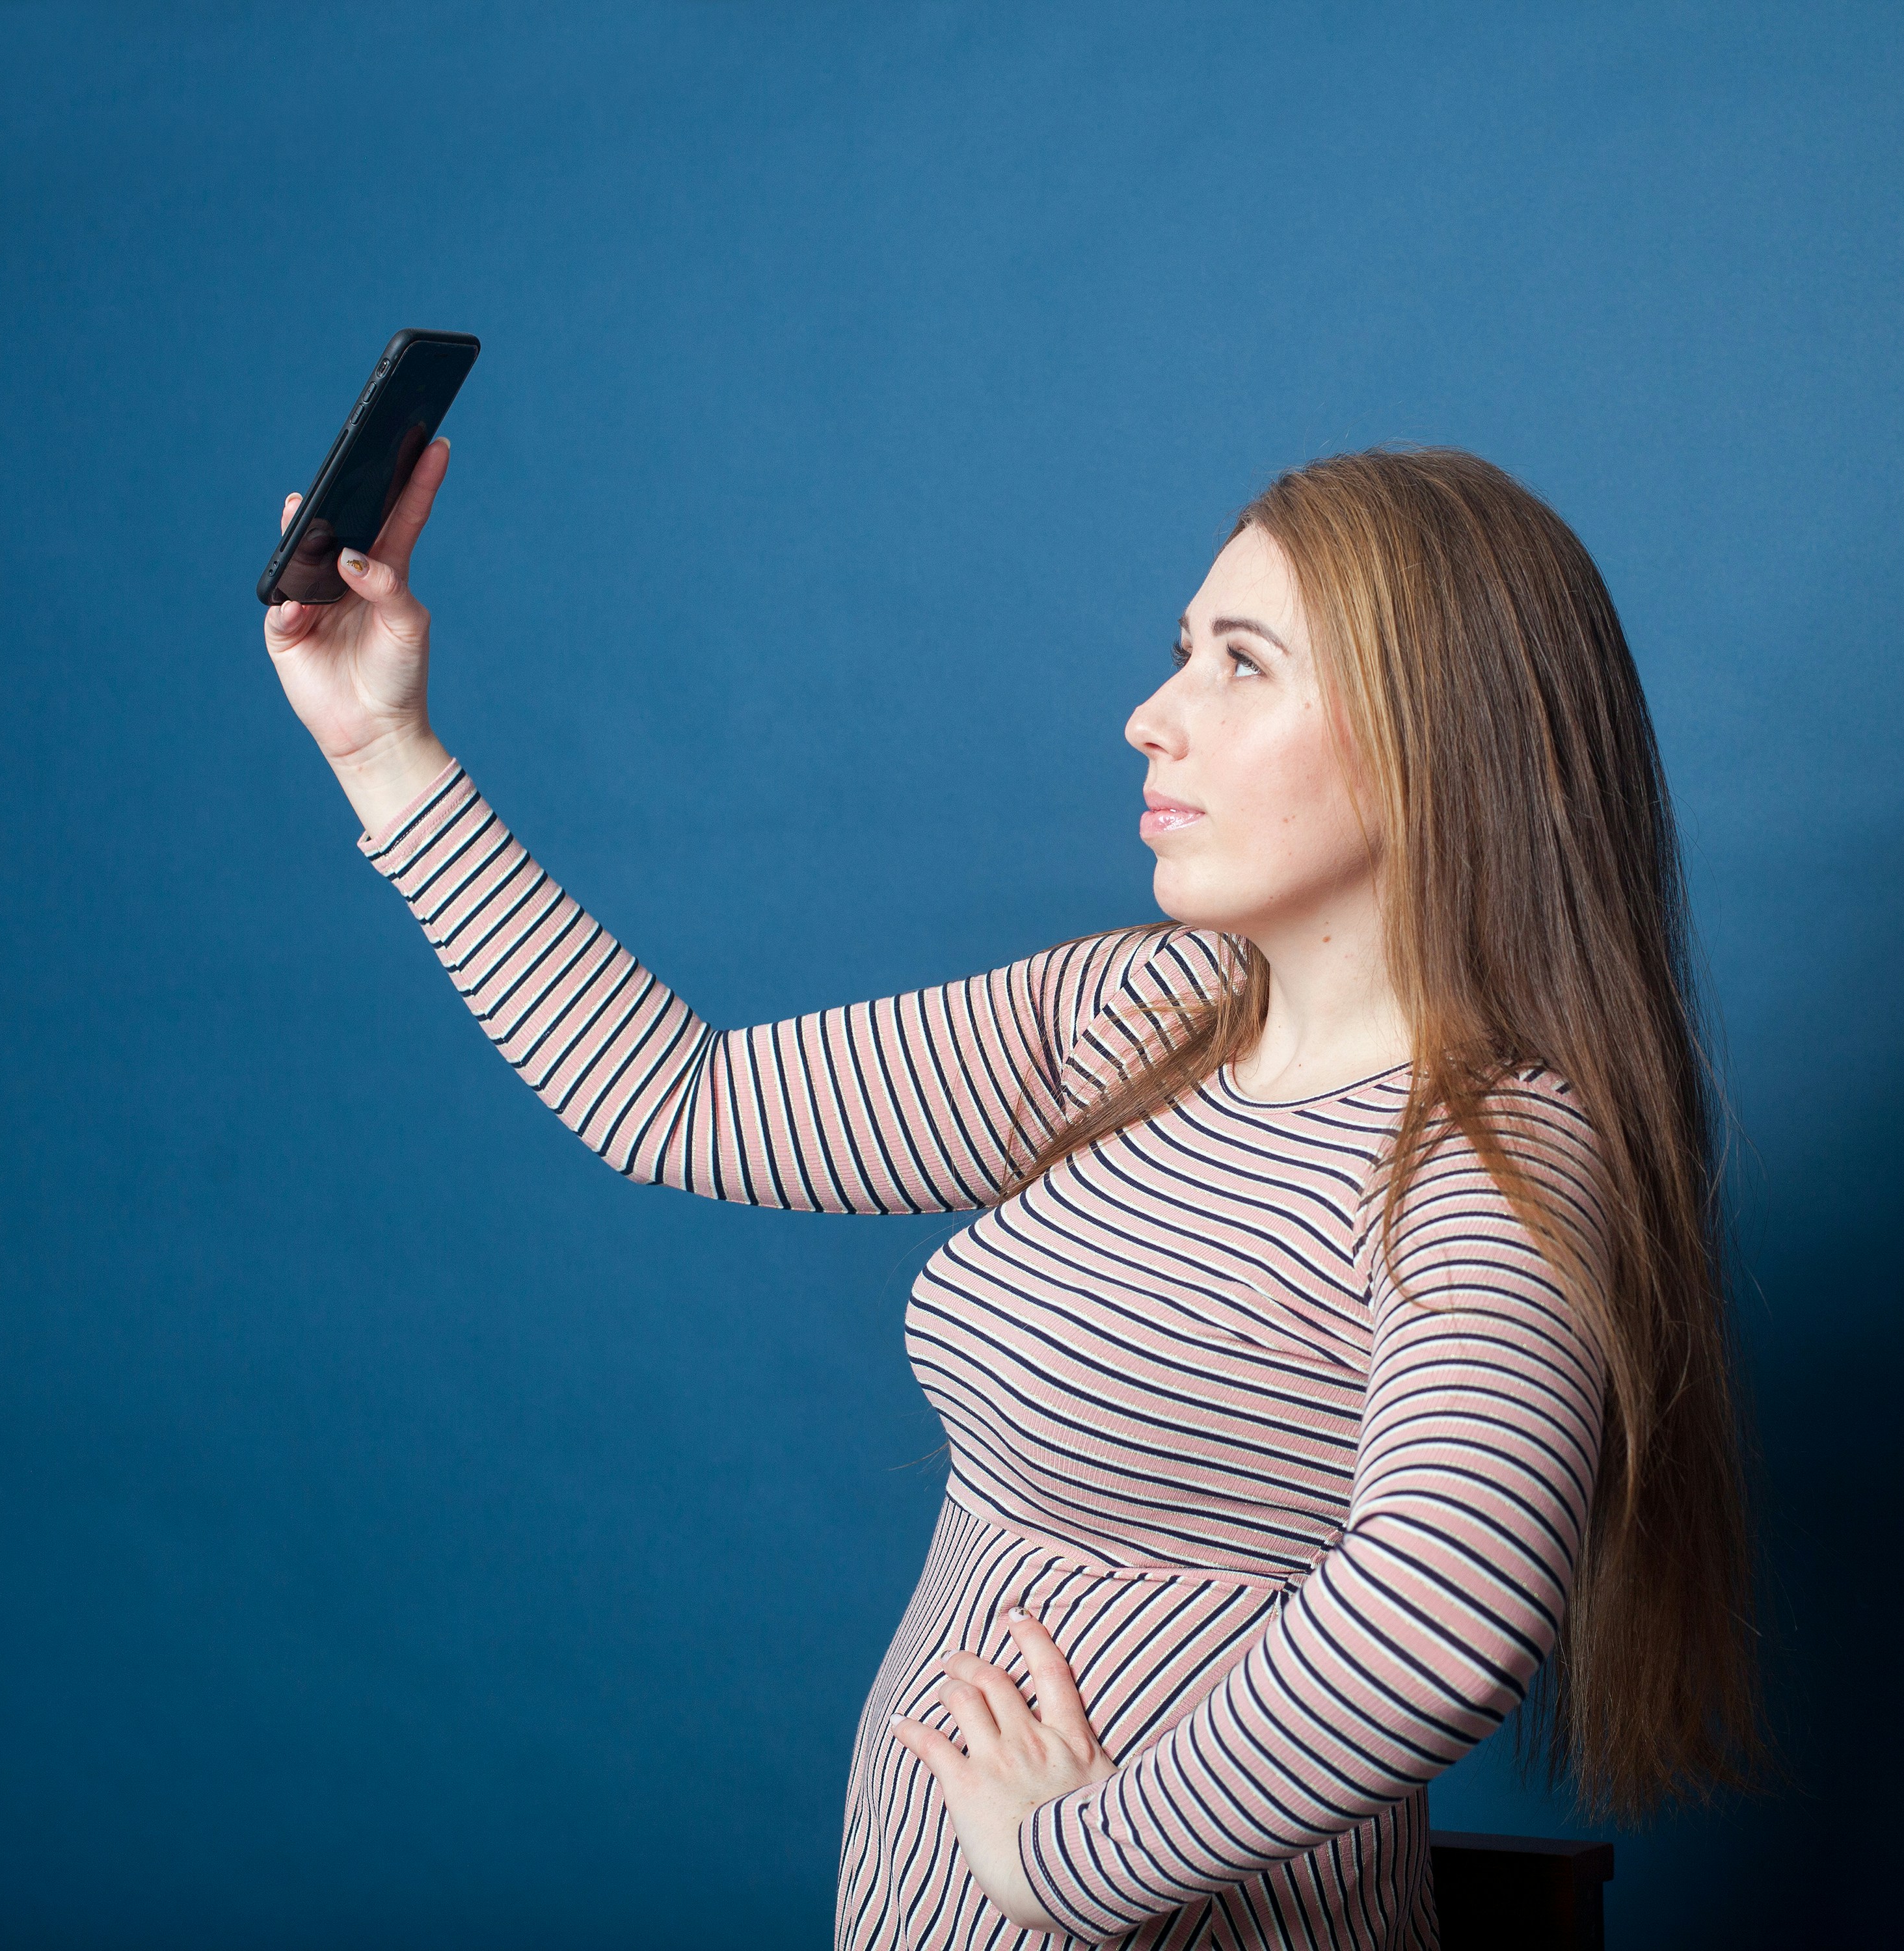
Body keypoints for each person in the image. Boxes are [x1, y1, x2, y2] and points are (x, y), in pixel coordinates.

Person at [262, 440, 1763, 1948]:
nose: (1152, 717)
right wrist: (386, 752)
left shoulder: (1489, 1153)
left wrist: (1071, 1865)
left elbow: (1442, 1618)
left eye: (1242, 667)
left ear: (1451, 734)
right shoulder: (1145, 1014)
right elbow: (682, 1098)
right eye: (1181, 654)